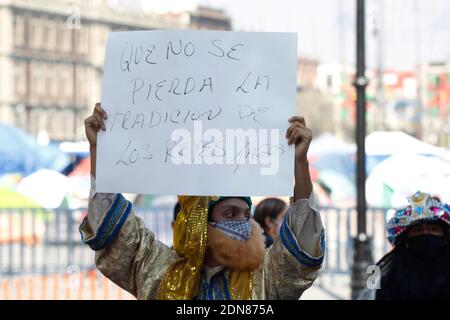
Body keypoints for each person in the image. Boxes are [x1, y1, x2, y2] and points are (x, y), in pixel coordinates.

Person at [79, 103, 325, 300]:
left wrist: (300, 164)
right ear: (198, 222)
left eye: (245, 215)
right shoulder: (157, 269)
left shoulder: (263, 276)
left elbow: (300, 255)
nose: (243, 224)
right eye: (230, 214)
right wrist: (99, 150)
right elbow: (116, 236)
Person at [359, 191, 450, 300]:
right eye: (418, 230)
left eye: (434, 229)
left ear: (445, 237)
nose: (425, 234)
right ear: (406, 238)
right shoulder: (385, 272)